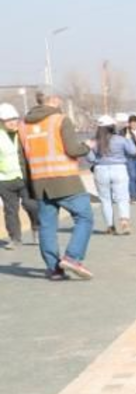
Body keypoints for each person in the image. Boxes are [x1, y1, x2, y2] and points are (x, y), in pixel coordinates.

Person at [21, 93, 94, 279]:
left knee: (47, 226)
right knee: (84, 217)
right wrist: (87, 146)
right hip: (65, 180)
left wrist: (30, 187)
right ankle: (72, 257)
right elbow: (72, 149)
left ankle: (54, 269)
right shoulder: (61, 120)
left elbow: (23, 160)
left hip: (39, 183)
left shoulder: (24, 126)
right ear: (53, 99)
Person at [88, 115, 136, 236]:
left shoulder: (94, 141)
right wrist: (129, 139)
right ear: (112, 127)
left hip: (100, 170)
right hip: (119, 169)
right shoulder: (120, 139)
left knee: (105, 200)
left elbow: (90, 158)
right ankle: (124, 221)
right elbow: (133, 152)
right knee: (122, 197)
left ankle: (110, 226)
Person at [0, 103, 37, 251]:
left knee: (31, 205)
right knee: (10, 210)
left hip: (24, 177)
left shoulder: (23, 134)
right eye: (9, 120)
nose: (13, 122)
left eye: (15, 119)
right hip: (4, 180)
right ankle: (15, 238)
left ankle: (37, 229)